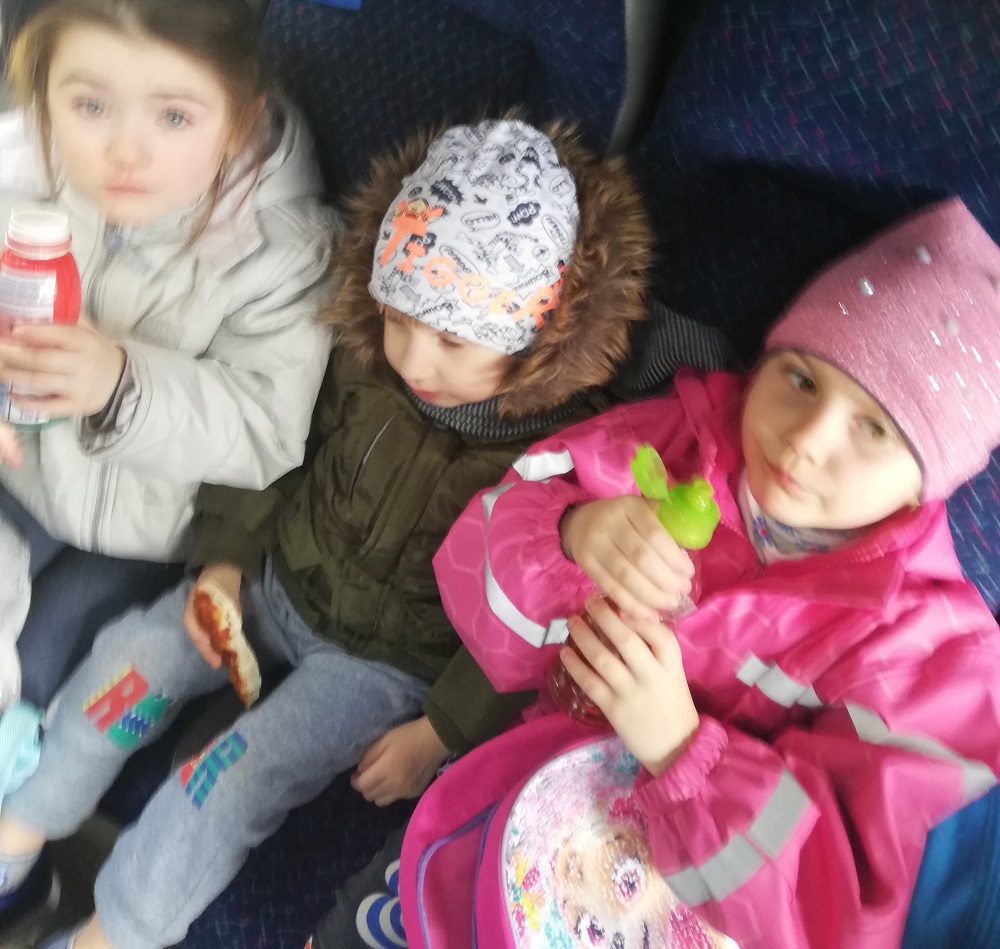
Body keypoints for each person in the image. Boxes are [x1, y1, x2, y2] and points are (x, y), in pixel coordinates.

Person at [0, 116, 679, 949]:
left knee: (230, 782)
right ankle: (19, 835)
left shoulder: (558, 453)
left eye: (451, 339)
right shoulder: (360, 359)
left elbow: (532, 613)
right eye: (398, 318)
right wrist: (225, 561)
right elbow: (273, 449)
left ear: (533, 334)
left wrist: (441, 731)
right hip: (274, 579)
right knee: (130, 662)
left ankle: (111, 934)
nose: (414, 359)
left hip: (382, 666)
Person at [407, 196, 1000, 949]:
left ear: (927, 483)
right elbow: (472, 576)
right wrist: (569, 535)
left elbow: (840, 910)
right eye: (801, 379)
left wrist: (684, 754)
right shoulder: (666, 448)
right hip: (513, 813)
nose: (806, 440)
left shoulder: (925, 652)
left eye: (874, 428)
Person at [0, 0, 336, 719]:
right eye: (89, 106)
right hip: (25, 478)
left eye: (175, 116)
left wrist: (120, 383)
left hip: (159, 530)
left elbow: (266, 427)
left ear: (239, 122)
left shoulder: (279, 252)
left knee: (73, 686)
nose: (125, 150)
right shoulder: (25, 173)